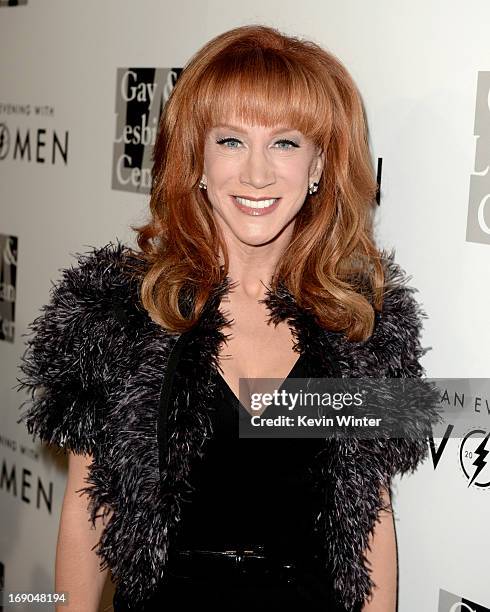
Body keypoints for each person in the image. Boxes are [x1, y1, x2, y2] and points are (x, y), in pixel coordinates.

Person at [16, 24, 439, 612]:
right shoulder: (118, 314)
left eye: (286, 143)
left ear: (319, 165)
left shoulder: (364, 326)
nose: (258, 174)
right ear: (197, 159)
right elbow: (89, 517)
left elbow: (372, 518)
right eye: (232, 141)